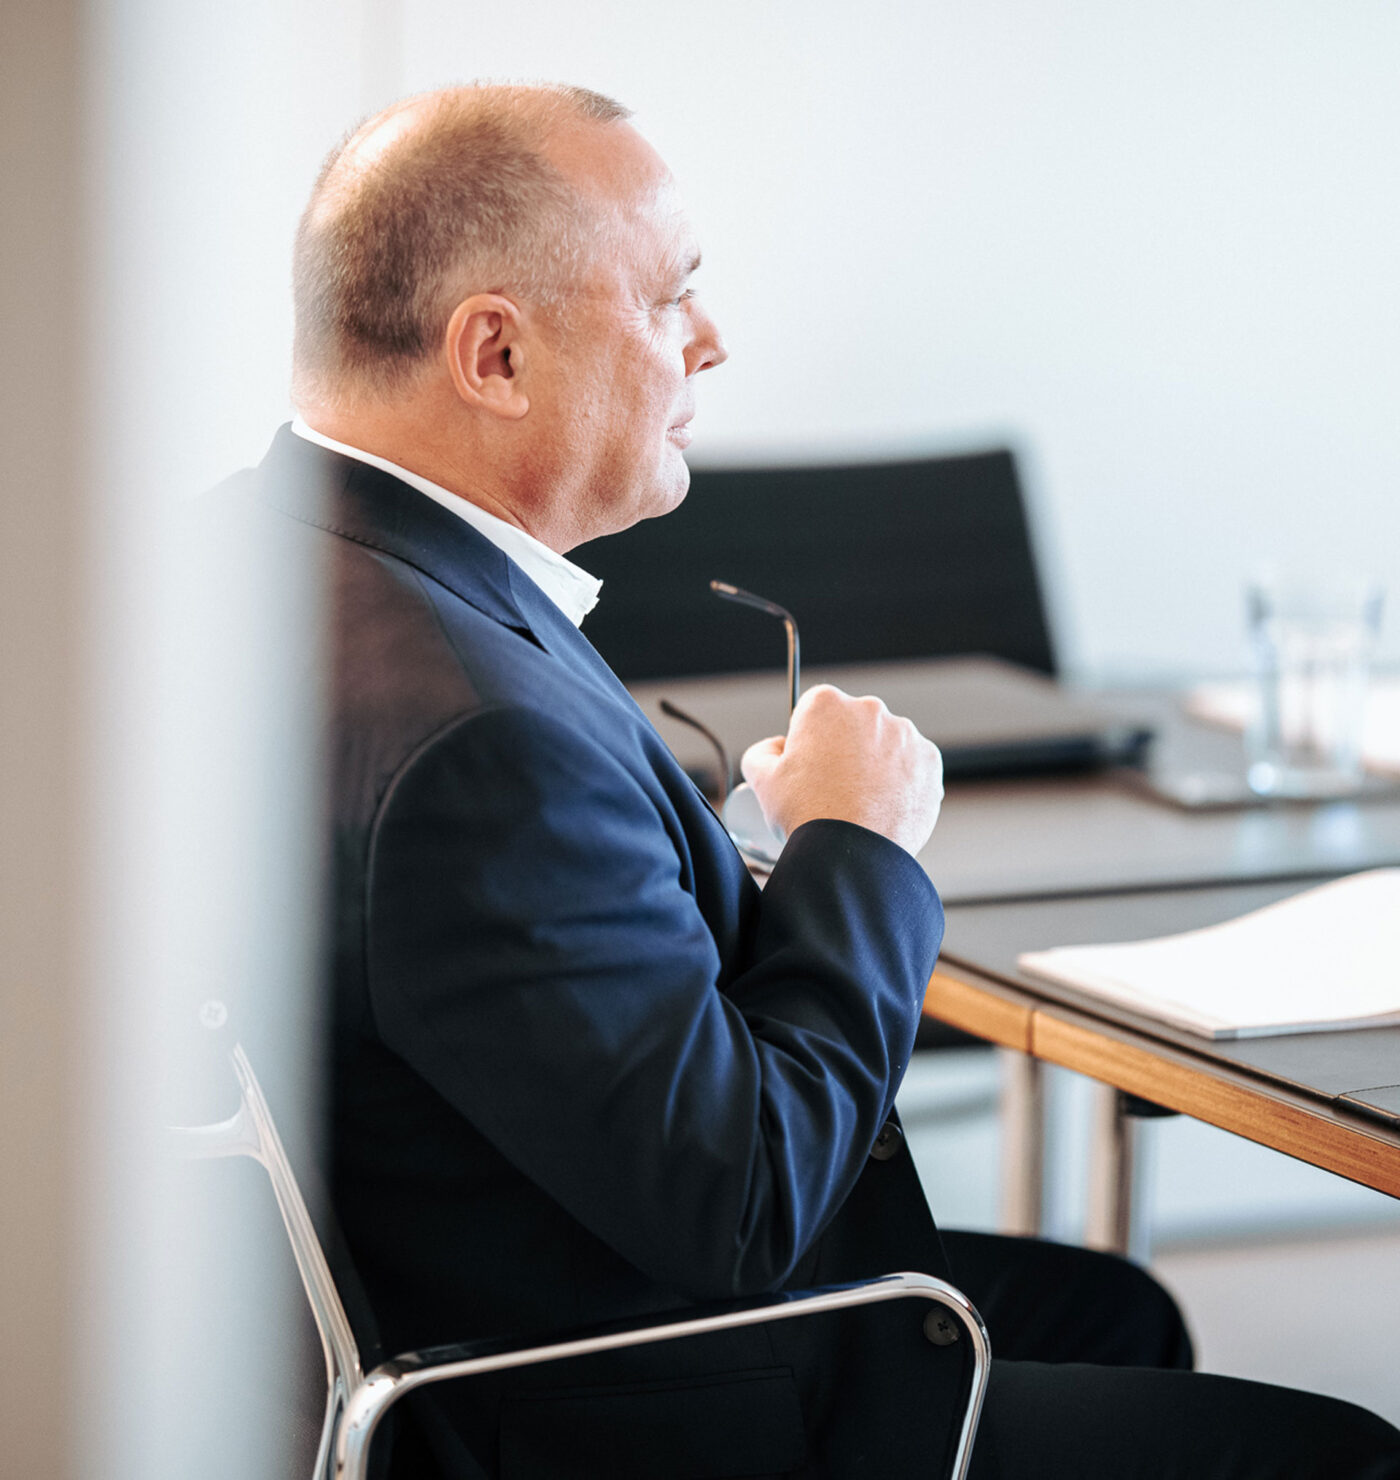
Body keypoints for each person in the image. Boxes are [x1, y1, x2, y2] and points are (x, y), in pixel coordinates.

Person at [229, 82, 1400, 1478]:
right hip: (620, 1399)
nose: (713, 343)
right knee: (1338, 1451)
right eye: (673, 299)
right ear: (493, 353)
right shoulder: (482, 741)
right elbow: (744, 1203)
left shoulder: (271, 566)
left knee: (1115, 1312)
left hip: (480, 1282)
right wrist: (859, 844)